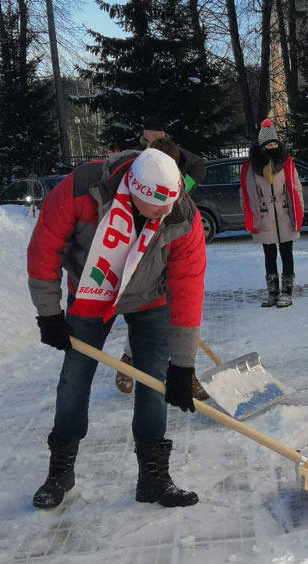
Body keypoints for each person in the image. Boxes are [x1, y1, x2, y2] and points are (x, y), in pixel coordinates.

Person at [27, 146, 206, 509]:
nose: (164, 213)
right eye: (156, 208)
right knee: (75, 378)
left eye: (170, 204)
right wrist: (49, 314)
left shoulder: (181, 213)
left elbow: (188, 285)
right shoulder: (81, 189)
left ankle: (153, 478)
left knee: (153, 381)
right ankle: (60, 470)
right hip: (92, 294)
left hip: (150, 299)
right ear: (134, 193)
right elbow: (44, 249)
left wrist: (183, 365)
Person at [115, 118, 209, 394]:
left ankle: (184, 370)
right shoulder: (136, 157)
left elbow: (199, 165)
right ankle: (129, 361)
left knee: (181, 308)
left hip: (178, 238)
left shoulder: (174, 151)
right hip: (145, 248)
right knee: (150, 314)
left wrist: (185, 187)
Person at [240, 119, 304, 308]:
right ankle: (273, 293)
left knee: (286, 253)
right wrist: (252, 214)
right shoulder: (252, 169)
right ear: (262, 147)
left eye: (275, 143)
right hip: (265, 217)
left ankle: (287, 292)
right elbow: (245, 194)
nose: (273, 147)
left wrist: (298, 211)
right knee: (269, 255)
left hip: (285, 215)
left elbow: (296, 189)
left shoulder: (287, 165)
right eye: (269, 144)